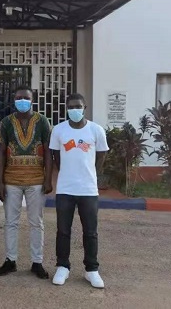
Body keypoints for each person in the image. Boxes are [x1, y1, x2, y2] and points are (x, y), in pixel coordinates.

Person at [49, 93, 109, 288]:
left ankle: (91, 270)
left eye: (78, 106)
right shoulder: (59, 130)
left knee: (90, 231)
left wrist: (91, 174)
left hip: (88, 189)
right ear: (67, 109)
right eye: (71, 107)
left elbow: (101, 155)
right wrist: (68, 172)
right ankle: (62, 267)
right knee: (63, 230)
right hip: (65, 188)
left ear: (85, 108)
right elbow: (56, 156)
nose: (74, 110)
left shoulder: (96, 130)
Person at [0, 85, 53, 279]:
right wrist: (0, 182)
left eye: (26, 98)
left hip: (36, 181)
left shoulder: (43, 121)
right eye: (18, 97)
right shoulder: (6, 122)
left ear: (32, 100)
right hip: (11, 180)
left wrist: (48, 179)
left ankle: (37, 262)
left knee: (36, 222)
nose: (22, 101)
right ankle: (10, 260)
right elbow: (1, 153)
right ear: (13, 100)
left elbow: (48, 152)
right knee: (10, 222)